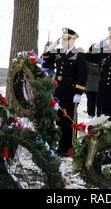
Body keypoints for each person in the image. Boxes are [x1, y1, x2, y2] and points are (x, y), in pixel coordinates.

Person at [41, 28, 88, 156]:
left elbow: (82, 75)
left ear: (73, 40)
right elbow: (44, 60)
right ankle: (61, 146)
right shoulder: (59, 53)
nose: (63, 41)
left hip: (71, 92)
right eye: (62, 39)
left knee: (69, 121)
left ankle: (69, 147)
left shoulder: (79, 55)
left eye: (65, 39)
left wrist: (79, 92)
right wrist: (50, 48)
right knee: (60, 121)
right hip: (59, 92)